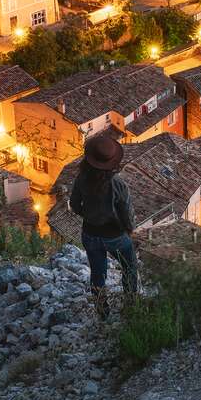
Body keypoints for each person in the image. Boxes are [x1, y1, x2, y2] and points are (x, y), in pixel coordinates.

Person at [69, 135, 138, 319]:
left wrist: (89, 215)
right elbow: (126, 212)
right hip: (114, 235)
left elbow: (74, 205)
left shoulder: (82, 178)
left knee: (98, 273)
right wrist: (130, 231)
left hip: (90, 234)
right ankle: (131, 306)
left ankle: (102, 312)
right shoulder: (117, 183)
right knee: (130, 267)